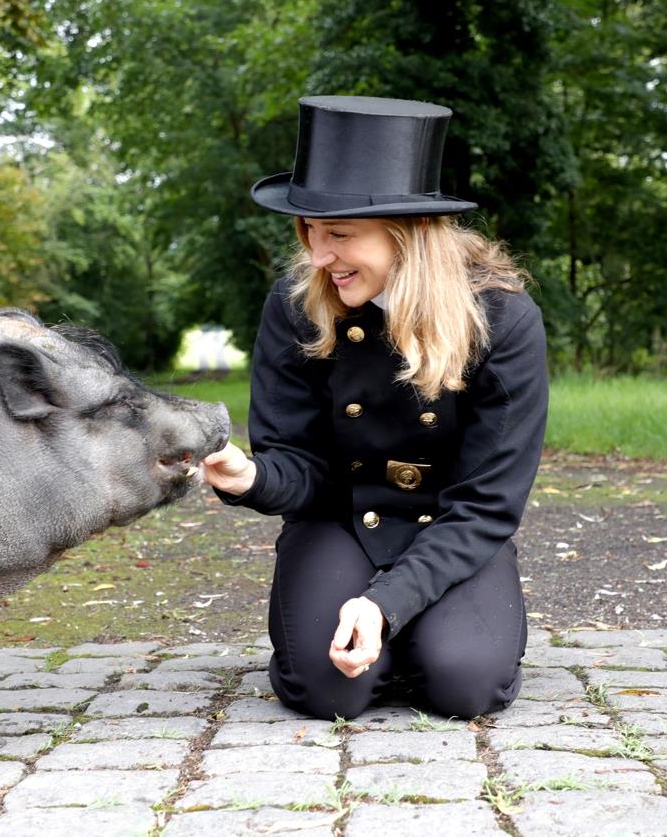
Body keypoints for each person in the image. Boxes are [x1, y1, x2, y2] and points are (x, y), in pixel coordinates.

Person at [202, 96, 548, 721]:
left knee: (465, 684)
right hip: (337, 521)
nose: (316, 255)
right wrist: (251, 478)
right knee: (330, 692)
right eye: (308, 230)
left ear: (408, 236)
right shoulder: (295, 304)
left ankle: (423, 630)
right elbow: (301, 468)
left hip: (451, 527)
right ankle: (383, 641)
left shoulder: (502, 317)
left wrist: (388, 602)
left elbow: (488, 502)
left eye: (338, 234)